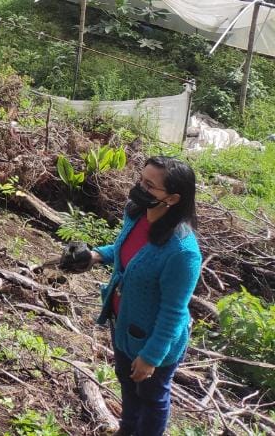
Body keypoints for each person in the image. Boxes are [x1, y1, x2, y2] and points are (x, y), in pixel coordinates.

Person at [63, 157, 201, 436]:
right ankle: (126, 430)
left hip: (155, 340)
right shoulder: (136, 214)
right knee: (128, 385)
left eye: (150, 186)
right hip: (124, 325)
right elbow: (125, 251)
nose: (140, 188)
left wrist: (151, 357)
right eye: (141, 180)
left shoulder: (183, 252)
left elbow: (173, 313)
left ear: (173, 199)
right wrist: (95, 255)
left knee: (152, 396)